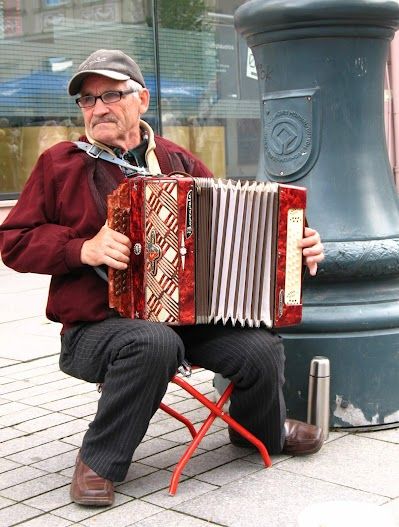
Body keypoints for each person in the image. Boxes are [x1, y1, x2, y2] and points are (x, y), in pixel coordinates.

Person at [0, 49, 325, 507]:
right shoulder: (60, 164)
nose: (97, 108)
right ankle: (98, 461)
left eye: (110, 94)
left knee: (259, 345)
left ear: (142, 100)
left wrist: (294, 246)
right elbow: (13, 241)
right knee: (154, 343)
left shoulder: (178, 161)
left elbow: (235, 231)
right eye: (87, 100)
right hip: (95, 330)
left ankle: (259, 431)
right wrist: (81, 248)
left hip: (187, 321)